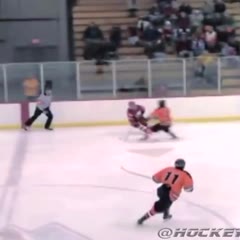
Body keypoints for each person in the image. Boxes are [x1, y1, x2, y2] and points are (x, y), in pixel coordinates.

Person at [137, 159, 194, 224]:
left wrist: (165, 180)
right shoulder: (185, 175)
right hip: (171, 194)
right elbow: (188, 189)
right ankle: (142, 219)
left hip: (161, 190)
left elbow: (155, 179)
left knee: (166, 202)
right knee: (160, 207)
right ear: (183, 166)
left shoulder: (169, 169)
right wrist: (190, 189)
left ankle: (166, 214)